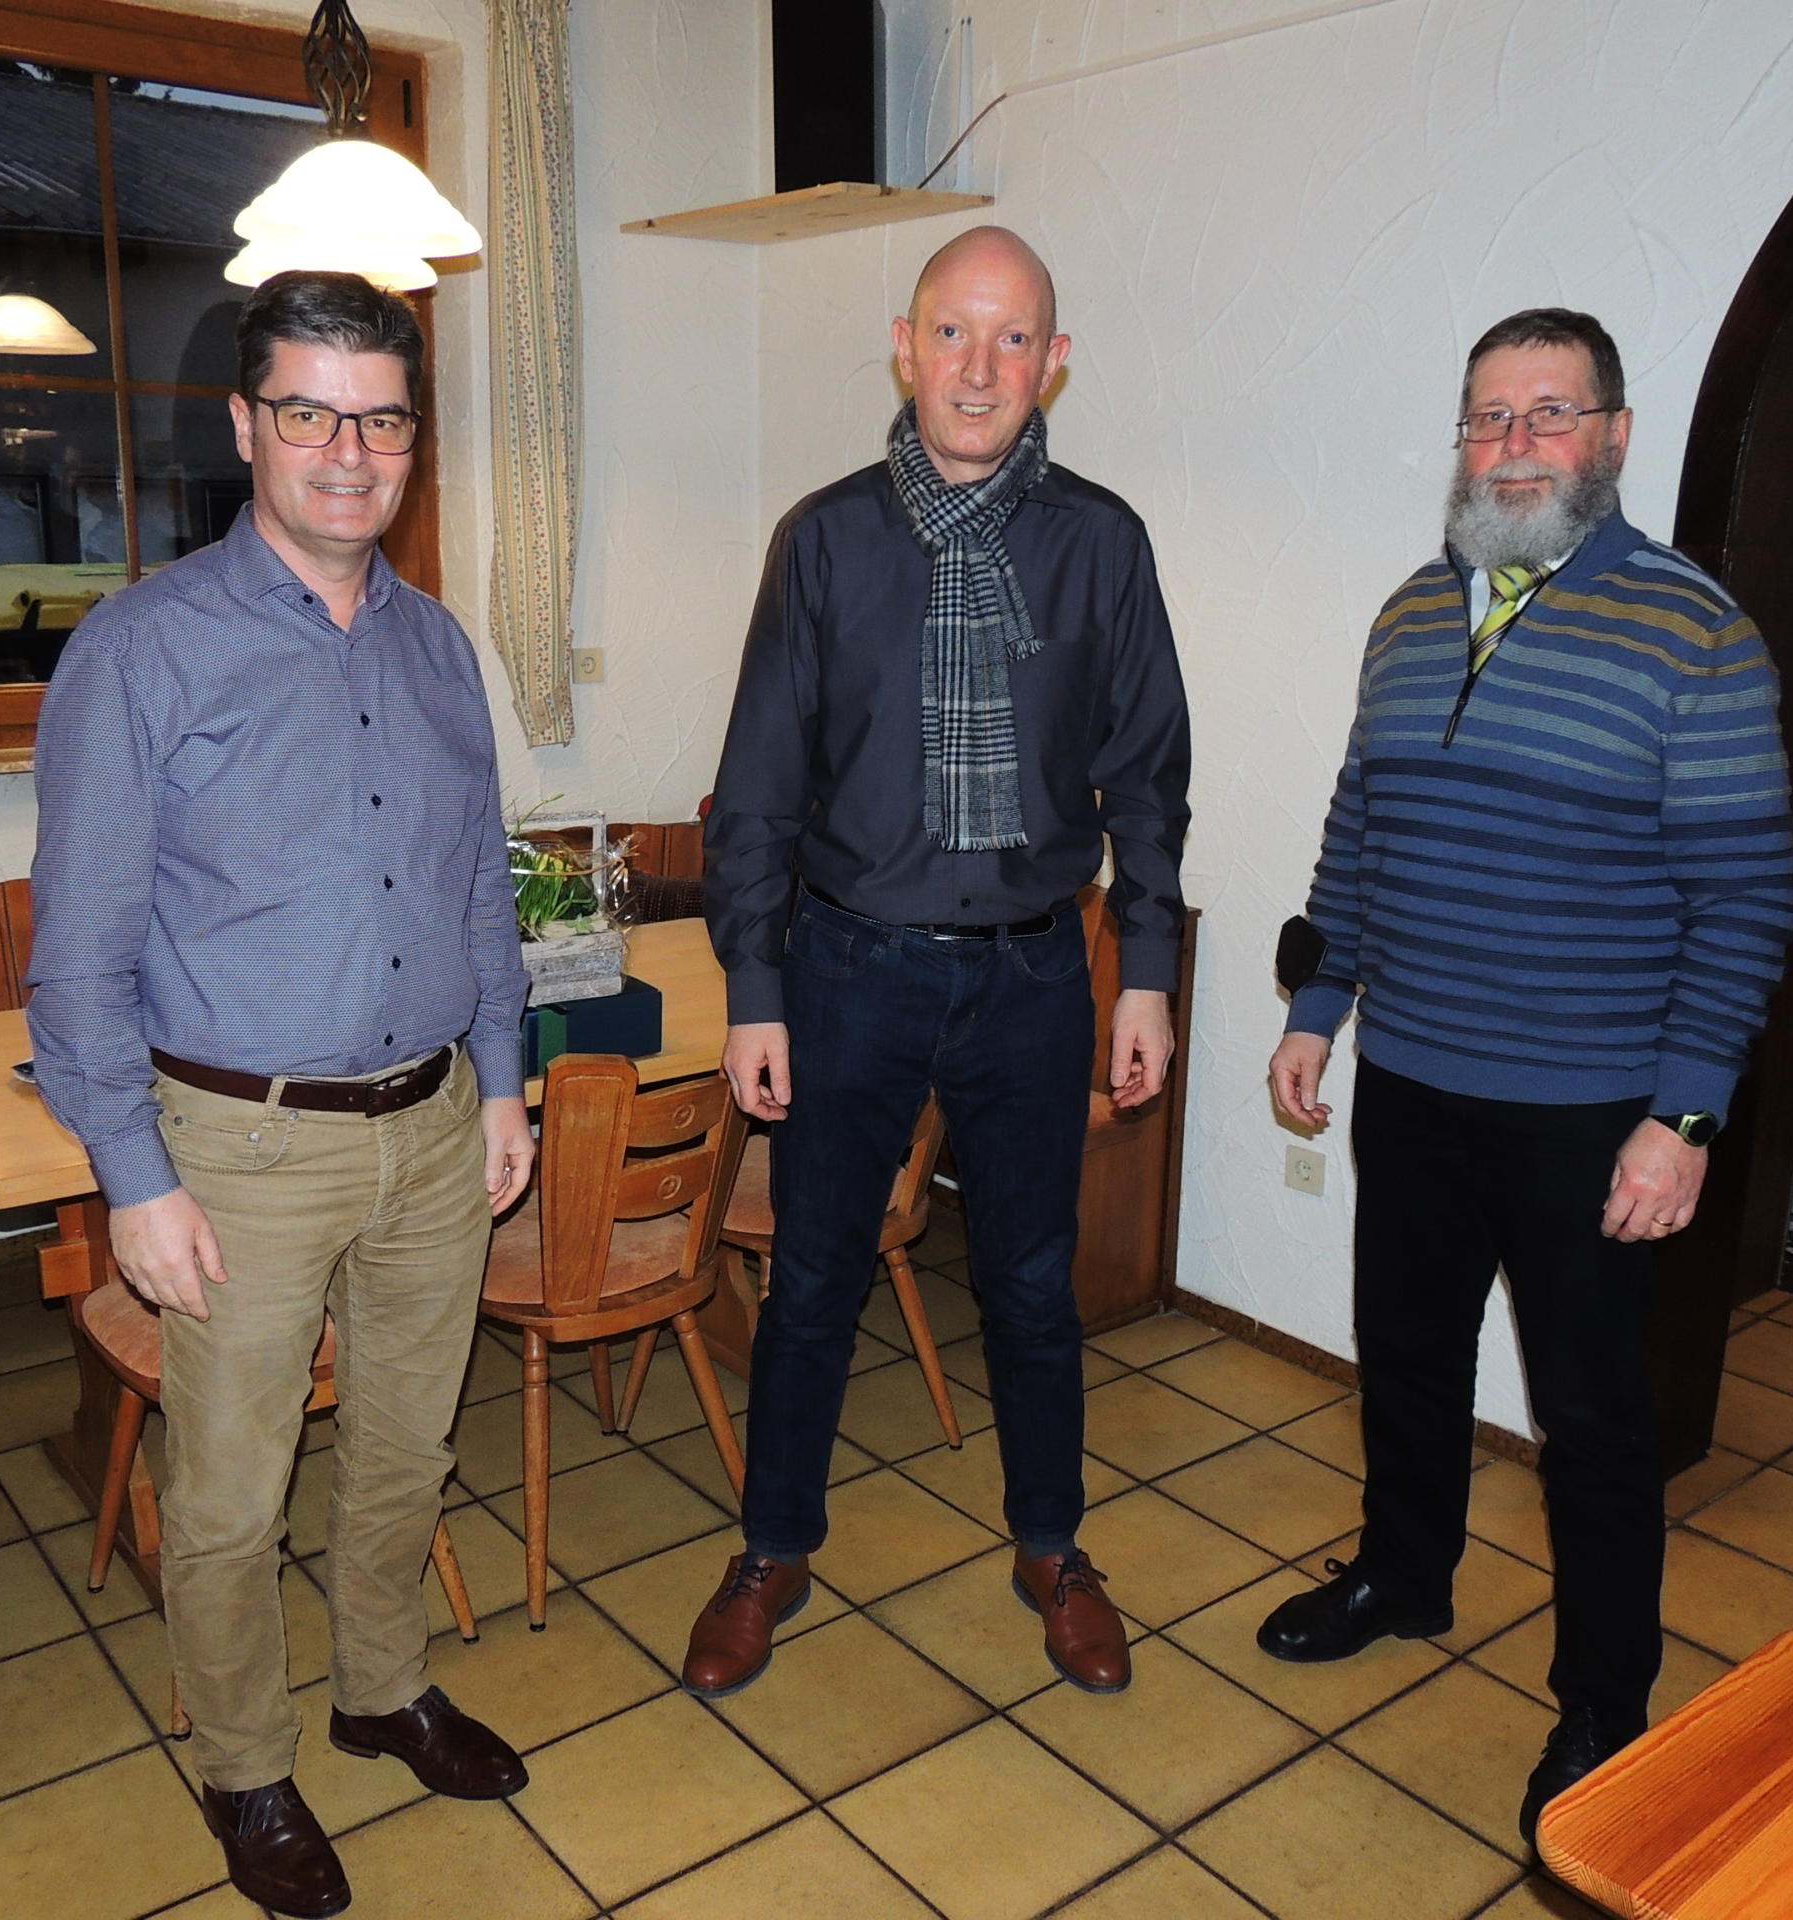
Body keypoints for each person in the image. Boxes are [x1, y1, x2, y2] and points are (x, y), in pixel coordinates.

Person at [28, 271, 533, 1920]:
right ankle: (245, 1767)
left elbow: (477, 892)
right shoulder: (141, 651)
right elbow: (78, 953)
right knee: (231, 1497)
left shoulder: (441, 646)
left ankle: (382, 1690)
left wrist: (504, 1085)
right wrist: (132, 1174)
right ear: (246, 425)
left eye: (381, 419)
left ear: (414, 440)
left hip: (436, 1127)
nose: (348, 452)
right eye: (310, 413)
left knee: (406, 1449)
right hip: (235, 1150)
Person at [1261, 308, 1793, 1844]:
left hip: (1589, 1112)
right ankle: (1404, 1573)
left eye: (1548, 414)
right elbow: (1362, 827)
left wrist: (1681, 1117)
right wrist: (1319, 1006)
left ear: (1613, 437)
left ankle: (1605, 1698)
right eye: (1489, 417)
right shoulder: (1411, 612)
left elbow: (1746, 899)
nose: (1513, 446)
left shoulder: (1694, 635)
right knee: (1407, 1356)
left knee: (1593, 1420)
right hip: (1415, 1082)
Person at [689, 226, 1193, 1701]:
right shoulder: (824, 541)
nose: (981, 368)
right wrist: (756, 992)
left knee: (1032, 1284)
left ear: (1055, 363)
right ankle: (773, 1549)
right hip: (848, 971)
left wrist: (1145, 971)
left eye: (1013, 337)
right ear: (905, 349)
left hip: (1036, 980)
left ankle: (1055, 1548)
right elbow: (757, 787)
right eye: (953, 334)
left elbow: (1148, 778)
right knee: (812, 1281)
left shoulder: (1103, 545)